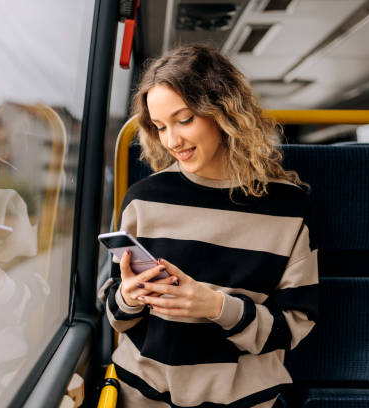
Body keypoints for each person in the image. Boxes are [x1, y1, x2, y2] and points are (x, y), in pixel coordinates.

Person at [99, 44, 318, 408]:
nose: (172, 141)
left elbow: (293, 325)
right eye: (160, 127)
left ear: (224, 111)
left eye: (184, 120)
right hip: (142, 394)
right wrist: (128, 298)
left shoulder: (288, 209)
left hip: (242, 398)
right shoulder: (143, 198)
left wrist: (216, 307)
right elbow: (115, 311)